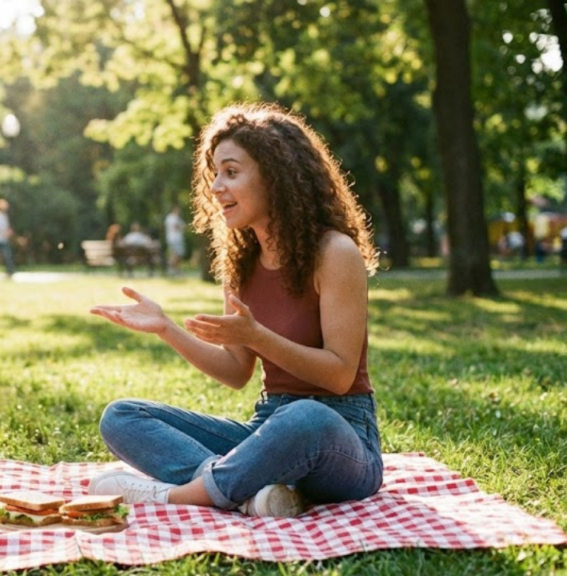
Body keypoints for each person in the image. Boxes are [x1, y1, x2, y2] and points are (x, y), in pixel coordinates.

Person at [88, 102, 382, 518]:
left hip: (340, 436)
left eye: (230, 172)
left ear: (275, 176)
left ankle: (181, 495)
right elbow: (236, 371)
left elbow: (338, 375)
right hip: (266, 429)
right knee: (122, 416)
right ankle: (249, 492)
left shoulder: (335, 253)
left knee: (305, 417)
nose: (215, 187)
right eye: (214, 175)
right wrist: (166, 328)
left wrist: (258, 336)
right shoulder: (243, 265)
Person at [164, 206, 186, 274]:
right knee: (174, 254)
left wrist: (181, 226)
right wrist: (181, 227)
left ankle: (174, 269)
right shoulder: (170, 218)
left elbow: (184, 226)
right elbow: (177, 226)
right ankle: (173, 269)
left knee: (178, 255)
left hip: (178, 238)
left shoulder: (178, 218)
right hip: (173, 239)